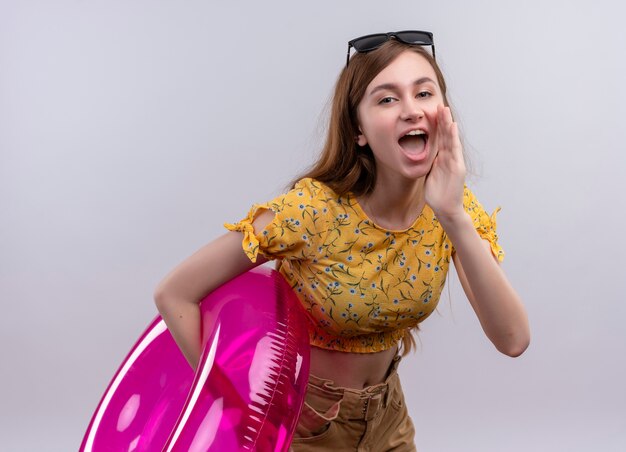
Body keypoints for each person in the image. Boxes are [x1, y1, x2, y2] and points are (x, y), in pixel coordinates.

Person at [154, 31, 530, 451]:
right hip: (301, 426)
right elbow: (175, 294)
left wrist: (453, 214)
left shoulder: (452, 208)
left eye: (423, 93)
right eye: (387, 99)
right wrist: (238, 402)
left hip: (388, 421)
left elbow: (513, 339)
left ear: (442, 111)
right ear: (359, 131)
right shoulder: (312, 211)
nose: (411, 110)